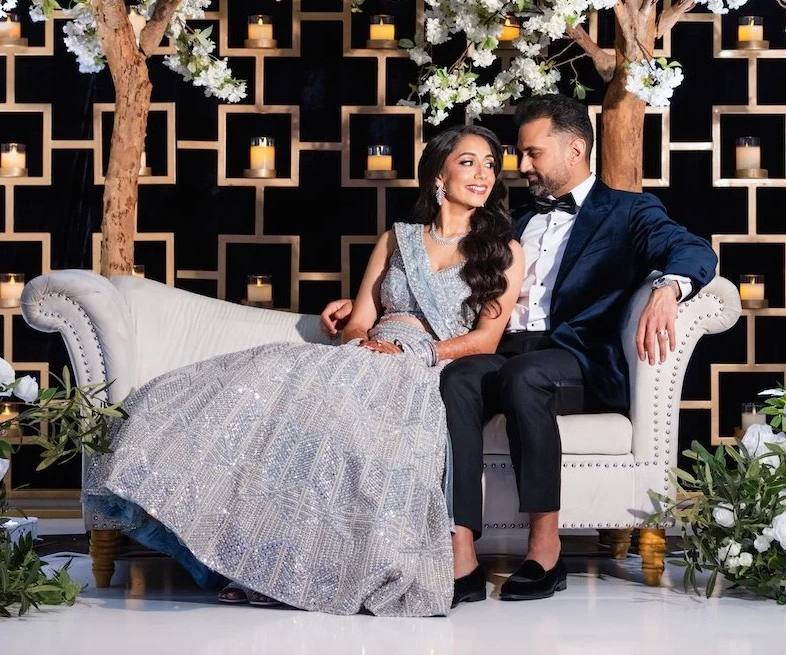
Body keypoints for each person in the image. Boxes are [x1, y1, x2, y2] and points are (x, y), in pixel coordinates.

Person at [83, 124, 524, 617]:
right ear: (438, 172)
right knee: (269, 387)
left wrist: (416, 355)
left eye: (490, 164)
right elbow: (360, 318)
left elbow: (487, 338)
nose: (483, 173)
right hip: (368, 355)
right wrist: (363, 346)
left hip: (428, 365)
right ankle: (255, 561)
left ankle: (304, 572)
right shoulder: (397, 240)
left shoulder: (504, 251)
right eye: (468, 162)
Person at [322, 94, 717, 606]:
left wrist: (668, 287)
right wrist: (364, 303)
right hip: (503, 347)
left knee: (523, 376)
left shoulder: (628, 211)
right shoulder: (510, 220)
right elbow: (442, 269)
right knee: (458, 380)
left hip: (573, 356)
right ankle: (461, 551)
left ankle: (544, 551)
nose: (521, 166)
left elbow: (693, 248)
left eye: (533, 154)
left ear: (575, 149)